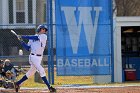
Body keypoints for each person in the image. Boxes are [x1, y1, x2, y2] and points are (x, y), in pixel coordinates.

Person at [14, 24, 56, 92]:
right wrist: (21, 41)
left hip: (39, 57)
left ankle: (18, 83)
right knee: (41, 70)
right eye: (43, 29)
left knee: (31, 72)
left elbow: (35, 38)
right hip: (33, 56)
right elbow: (27, 48)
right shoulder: (31, 38)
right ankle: (50, 87)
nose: (44, 31)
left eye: (45, 30)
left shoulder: (43, 36)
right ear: (39, 29)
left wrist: (23, 36)